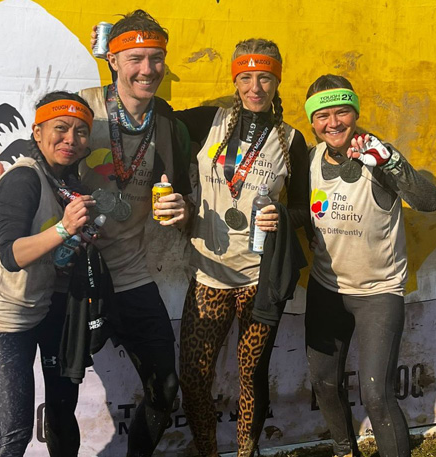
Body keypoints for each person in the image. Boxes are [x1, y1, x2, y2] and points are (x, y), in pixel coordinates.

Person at [0, 11, 192, 457]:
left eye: (157, 59)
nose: (148, 70)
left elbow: (183, 195)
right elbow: (36, 148)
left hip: (131, 273)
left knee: (165, 386)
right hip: (71, 279)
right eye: (136, 58)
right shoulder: (86, 107)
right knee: (62, 401)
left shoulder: (170, 127)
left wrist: (183, 209)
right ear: (114, 60)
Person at [174, 39, 309, 457]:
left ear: (276, 80)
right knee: (194, 377)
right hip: (208, 275)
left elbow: (305, 209)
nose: (255, 87)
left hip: (259, 280)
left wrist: (283, 218)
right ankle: (208, 452)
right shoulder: (204, 122)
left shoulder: (292, 138)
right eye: (246, 77)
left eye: (265, 77)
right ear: (235, 80)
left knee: (252, 375)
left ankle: (246, 452)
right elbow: (145, 121)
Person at [303, 74, 436, 457]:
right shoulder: (311, 158)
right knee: (324, 384)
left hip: (377, 294)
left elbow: (428, 202)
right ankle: (346, 450)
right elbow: (306, 206)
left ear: (356, 112)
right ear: (312, 122)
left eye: (342, 112)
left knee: (376, 395)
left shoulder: (377, 157)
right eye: (323, 115)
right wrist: (308, 230)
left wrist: (392, 162)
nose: (333, 123)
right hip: (326, 289)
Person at [0, 91, 95, 457]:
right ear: (37, 133)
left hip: (30, 316)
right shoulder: (25, 178)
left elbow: (55, 251)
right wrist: (65, 229)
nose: (70, 139)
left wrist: (78, 239)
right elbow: (11, 255)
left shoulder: (65, 183)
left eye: (81, 132)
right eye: (61, 128)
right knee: (14, 433)